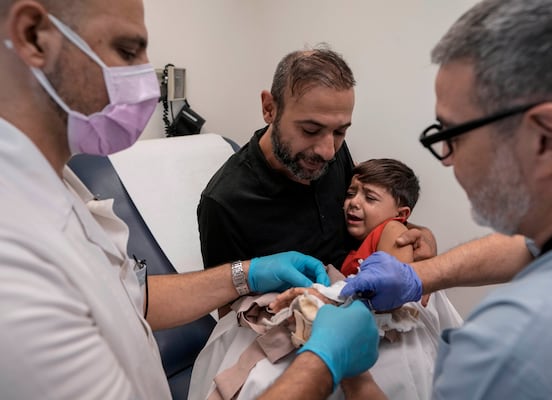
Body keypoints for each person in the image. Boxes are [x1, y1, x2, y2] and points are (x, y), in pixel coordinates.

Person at [0, 1, 379, 398]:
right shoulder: (19, 255)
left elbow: (132, 293)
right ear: (32, 35)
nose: (146, 78)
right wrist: (324, 359)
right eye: (128, 51)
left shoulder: (59, 186)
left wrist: (246, 273)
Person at [341, 0, 552, 397]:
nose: (447, 160)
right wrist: (416, 277)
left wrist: (347, 366)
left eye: (451, 136)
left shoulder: (506, 353)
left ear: (547, 138)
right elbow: (529, 247)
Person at [189, 158, 461, 399]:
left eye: (370, 197)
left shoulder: (392, 230)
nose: (353, 201)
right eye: (351, 193)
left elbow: (394, 281)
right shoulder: (356, 245)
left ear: (401, 216)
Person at [197, 46, 437, 273]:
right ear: (269, 109)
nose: (328, 152)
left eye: (340, 131)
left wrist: (422, 235)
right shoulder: (224, 203)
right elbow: (230, 308)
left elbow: (370, 220)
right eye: (311, 130)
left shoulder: (331, 152)